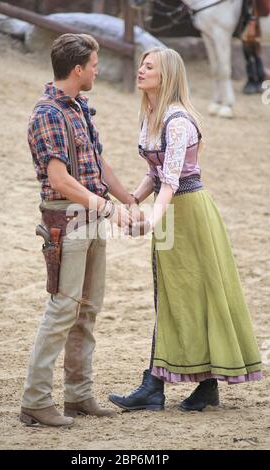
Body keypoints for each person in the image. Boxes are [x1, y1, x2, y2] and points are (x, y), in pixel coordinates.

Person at [109, 47, 263, 412]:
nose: (141, 70)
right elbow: (155, 172)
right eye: (142, 65)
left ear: (167, 77)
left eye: (150, 67)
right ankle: (166, 386)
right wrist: (132, 199)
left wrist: (153, 219)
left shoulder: (177, 121)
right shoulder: (150, 116)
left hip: (189, 211)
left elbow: (172, 181)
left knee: (193, 292)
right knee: (172, 294)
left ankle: (163, 387)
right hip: (172, 209)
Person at [20, 33, 142, 427]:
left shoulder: (77, 108)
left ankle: (78, 396)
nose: (96, 70)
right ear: (77, 69)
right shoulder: (48, 114)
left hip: (87, 216)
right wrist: (109, 207)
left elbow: (97, 164)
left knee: (85, 310)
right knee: (62, 310)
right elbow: (60, 180)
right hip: (67, 217)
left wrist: (127, 201)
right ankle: (36, 400)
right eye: (92, 64)